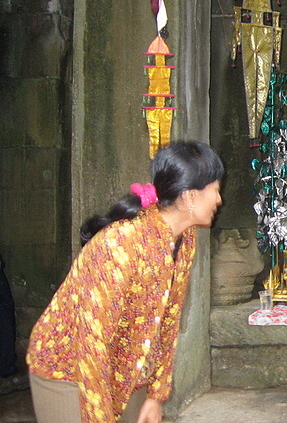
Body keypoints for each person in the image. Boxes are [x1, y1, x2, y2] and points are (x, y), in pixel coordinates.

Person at [26, 141, 224, 423]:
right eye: (215, 189)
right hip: (69, 369)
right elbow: (91, 341)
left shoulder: (185, 238)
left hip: (126, 366)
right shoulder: (121, 244)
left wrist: (157, 395)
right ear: (190, 197)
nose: (219, 199)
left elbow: (168, 320)